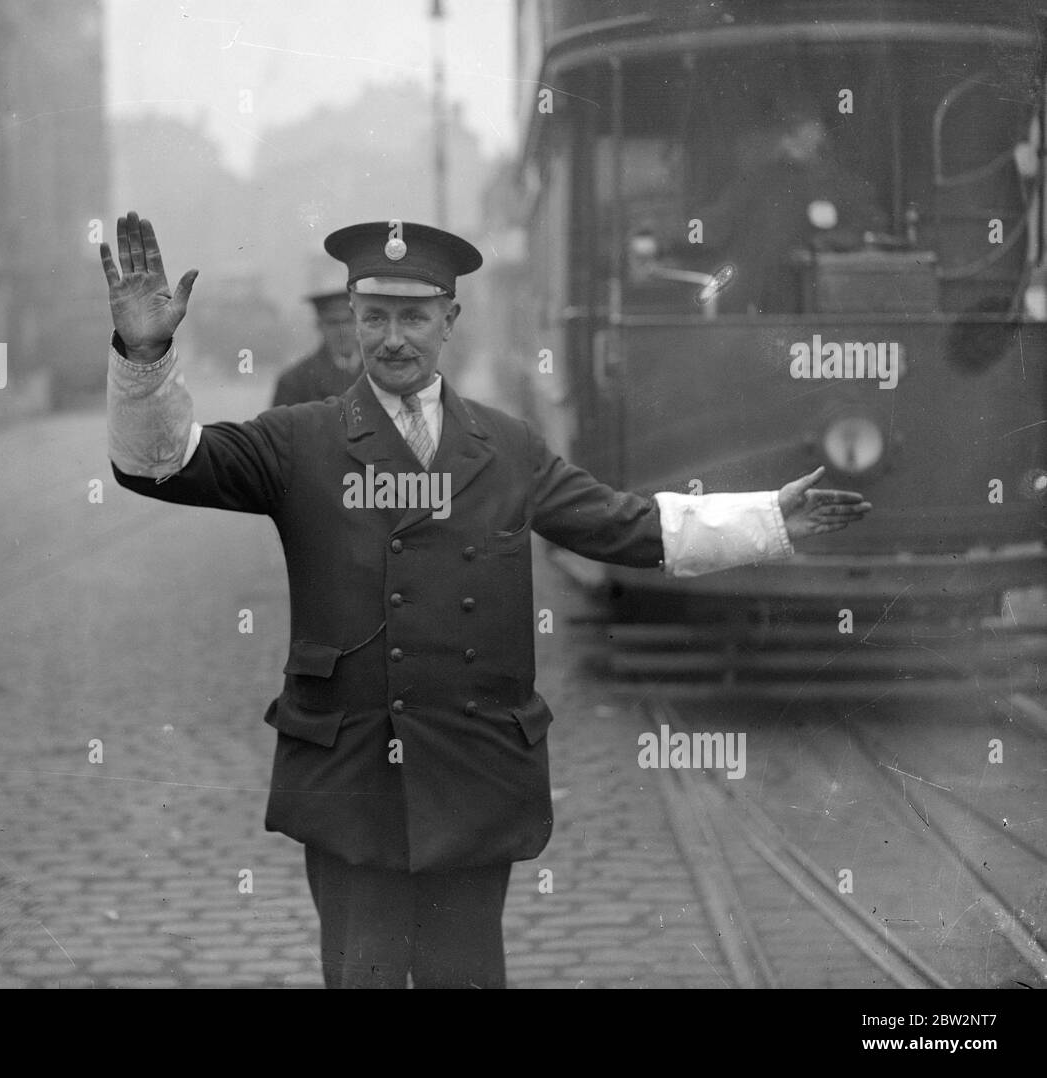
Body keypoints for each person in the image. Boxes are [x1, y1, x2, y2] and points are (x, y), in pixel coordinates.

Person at [101, 211, 872, 988]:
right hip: (351, 783)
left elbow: (629, 527)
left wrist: (773, 518)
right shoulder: (298, 439)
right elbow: (164, 462)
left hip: (468, 781)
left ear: (450, 321)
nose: (392, 337)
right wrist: (145, 354)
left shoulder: (507, 447)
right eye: (374, 317)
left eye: (413, 317)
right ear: (356, 320)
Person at [693, 104, 889, 314]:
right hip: (761, 299)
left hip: (820, 300)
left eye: (813, 132)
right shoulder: (756, 182)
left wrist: (826, 243)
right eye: (795, 132)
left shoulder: (840, 184)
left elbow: (872, 225)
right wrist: (684, 234)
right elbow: (717, 221)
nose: (808, 141)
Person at [271, 290, 361, 406]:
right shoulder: (294, 382)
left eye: (348, 321)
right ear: (319, 325)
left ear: (360, 322)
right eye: (333, 323)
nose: (342, 331)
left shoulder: (380, 370)